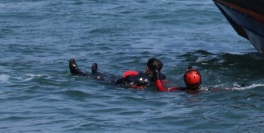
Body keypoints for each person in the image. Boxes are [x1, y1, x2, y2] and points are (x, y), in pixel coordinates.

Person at [69, 57, 202, 92]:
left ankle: (79, 73)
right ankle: (95, 72)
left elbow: (161, 89)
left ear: (148, 69)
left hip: (123, 85)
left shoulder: (176, 89)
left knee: (105, 80)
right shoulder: (163, 78)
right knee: (106, 77)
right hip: (131, 83)